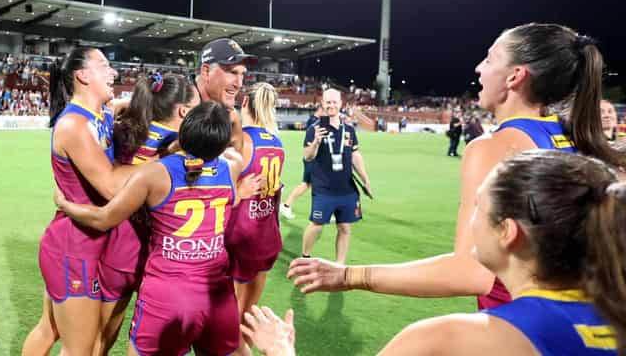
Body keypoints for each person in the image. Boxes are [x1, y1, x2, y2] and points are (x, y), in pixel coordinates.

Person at [287, 23, 626, 309]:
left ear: (514, 77)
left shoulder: (495, 148)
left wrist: (348, 275)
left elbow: (470, 273)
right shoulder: (583, 139)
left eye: (490, 58)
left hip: (521, 328)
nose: (479, 68)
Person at [247, 150, 625, 356]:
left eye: (478, 206)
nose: (469, 218)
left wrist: (281, 349)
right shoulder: (615, 317)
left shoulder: (450, 338)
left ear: (508, 233)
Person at [53, 102, 260, 355]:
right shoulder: (232, 166)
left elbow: (104, 218)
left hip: (166, 296)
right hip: (216, 295)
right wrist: (233, 118)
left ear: (185, 131)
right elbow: (236, 143)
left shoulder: (154, 173)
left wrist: (65, 203)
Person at [21, 47, 135, 356]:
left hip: (80, 242)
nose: (113, 72)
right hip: (74, 249)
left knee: (50, 328)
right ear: (82, 75)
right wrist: (161, 171)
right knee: (79, 349)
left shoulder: (100, 114)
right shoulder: (74, 126)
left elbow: (125, 106)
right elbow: (112, 188)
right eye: (104, 66)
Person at [94, 73, 200, 354]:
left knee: (101, 337)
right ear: (183, 111)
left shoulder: (127, 130)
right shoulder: (185, 146)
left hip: (118, 251)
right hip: (161, 261)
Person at [225, 83, 284, 355]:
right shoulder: (277, 142)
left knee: (227, 321)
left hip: (241, 232)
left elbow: (222, 188)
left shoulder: (241, 141)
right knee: (247, 315)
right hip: (268, 233)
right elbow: (277, 193)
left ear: (244, 101)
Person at [301, 88, 370, 264]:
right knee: (316, 225)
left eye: (334, 102)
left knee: (345, 227)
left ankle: (339, 265)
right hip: (324, 188)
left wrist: (365, 179)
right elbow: (307, 156)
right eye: (328, 102)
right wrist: (316, 141)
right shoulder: (314, 129)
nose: (331, 105)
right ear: (322, 104)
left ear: (341, 104)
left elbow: (355, 155)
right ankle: (305, 258)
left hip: (347, 188)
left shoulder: (349, 130)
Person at [195, 38, 257, 152]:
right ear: (206, 72)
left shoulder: (231, 117)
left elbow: (237, 164)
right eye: (233, 72)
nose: (239, 84)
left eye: (242, 74)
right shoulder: (177, 104)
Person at [279, 104, 324, 220]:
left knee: (310, 185)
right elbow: (309, 142)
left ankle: (286, 205)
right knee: (308, 184)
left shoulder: (318, 122)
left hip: (315, 159)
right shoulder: (314, 123)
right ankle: (286, 205)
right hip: (312, 158)